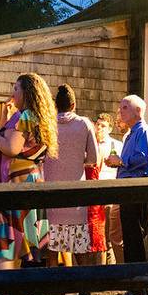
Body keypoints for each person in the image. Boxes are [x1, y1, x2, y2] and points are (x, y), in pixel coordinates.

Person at [0, 73, 58, 295]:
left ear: (27, 93)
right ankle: (13, 291)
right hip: (29, 179)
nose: (13, 93)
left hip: (12, 182)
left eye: (16, 89)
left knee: (4, 236)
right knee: (18, 237)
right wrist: (5, 121)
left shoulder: (25, 116)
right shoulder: (37, 117)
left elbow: (11, 147)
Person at [105, 94, 148, 295]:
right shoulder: (132, 133)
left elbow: (144, 159)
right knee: (130, 239)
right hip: (129, 189)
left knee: (135, 240)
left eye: (125, 107)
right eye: (121, 107)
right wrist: (118, 163)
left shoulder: (143, 131)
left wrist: (121, 160)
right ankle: (133, 289)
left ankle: (140, 291)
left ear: (137, 111)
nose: (121, 111)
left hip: (137, 190)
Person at [43, 85, 102, 266]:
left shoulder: (47, 124)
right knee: (79, 243)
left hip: (51, 190)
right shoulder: (84, 124)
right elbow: (94, 158)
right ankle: (84, 287)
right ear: (74, 104)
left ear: (55, 105)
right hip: (75, 191)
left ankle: (53, 286)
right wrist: (77, 158)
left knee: (53, 243)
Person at [94, 112, 124, 264]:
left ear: (110, 129)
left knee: (109, 234)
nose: (99, 128)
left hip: (109, 191)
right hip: (92, 192)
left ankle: (110, 268)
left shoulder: (117, 145)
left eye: (103, 126)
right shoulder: (90, 143)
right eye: (98, 124)